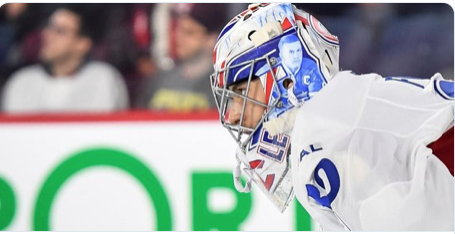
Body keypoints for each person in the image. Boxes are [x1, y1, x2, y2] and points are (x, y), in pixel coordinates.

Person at [210, 3, 453, 231]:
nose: (231, 116)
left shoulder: (322, 130)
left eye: (241, 93)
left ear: (285, 77)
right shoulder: (331, 114)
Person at [1, 5, 128, 113]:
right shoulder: (21, 83)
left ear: (83, 43)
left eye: (60, 31)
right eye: (48, 27)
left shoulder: (103, 80)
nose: (48, 35)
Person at [134, 3, 227, 111]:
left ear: (211, 39)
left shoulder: (224, 85)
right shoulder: (156, 80)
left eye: (189, 32)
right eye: (177, 29)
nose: (179, 37)